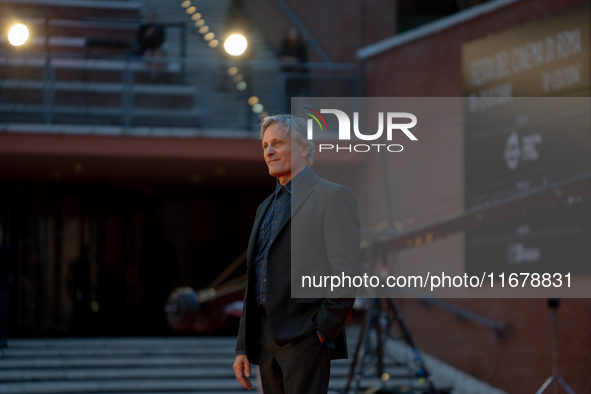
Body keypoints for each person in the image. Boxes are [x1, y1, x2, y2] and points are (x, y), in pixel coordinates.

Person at [233, 115, 362, 393]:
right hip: (264, 341)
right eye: (265, 145)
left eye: (277, 143)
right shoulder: (264, 207)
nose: (268, 151)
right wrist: (244, 345)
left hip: (305, 337)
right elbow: (256, 279)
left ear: (303, 148)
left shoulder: (333, 196)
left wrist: (320, 331)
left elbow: (347, 272)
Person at [280, 26, 310, 112]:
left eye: (294, 33)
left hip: (299, 81)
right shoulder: (285, 46)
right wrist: (294, 61)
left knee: (297, 102)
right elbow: (283, 59)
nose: (292, 35)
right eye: (290, 33)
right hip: (287, 81)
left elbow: (302, 62)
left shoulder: (301, 47)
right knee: (287, 102)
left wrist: (291, 61)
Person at [130, 11, 166, 80]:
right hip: (145, 50)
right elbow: (141, 42)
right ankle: (154, 77)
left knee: (157, 53)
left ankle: (152, 76)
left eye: (152, 17)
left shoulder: (159, 29)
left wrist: (152, 48)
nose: (150, 19)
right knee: (151, 54)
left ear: (155, 18)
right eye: (148, 17)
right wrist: (146, 35)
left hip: (155, 50)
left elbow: (160, 42)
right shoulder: (142, 28)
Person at [0, 223, 12, 348]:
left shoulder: (5, 249)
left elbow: (7, 266)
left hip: (1, 284)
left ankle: (3, 337)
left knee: (1, 310)